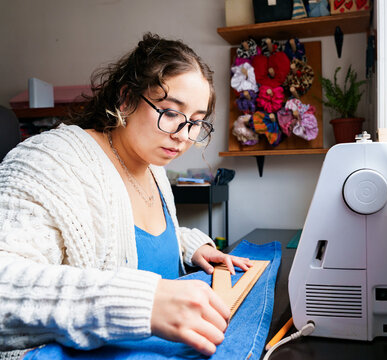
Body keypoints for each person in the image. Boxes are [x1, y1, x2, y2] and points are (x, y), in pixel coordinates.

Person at [0, 33, 251, 357]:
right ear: (125, 99)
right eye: (171, 113)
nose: (183, 136)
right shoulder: (48, 159)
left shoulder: (153, 168)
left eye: (196, 123)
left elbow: (132, 236)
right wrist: (141, 304)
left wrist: (190, 245)